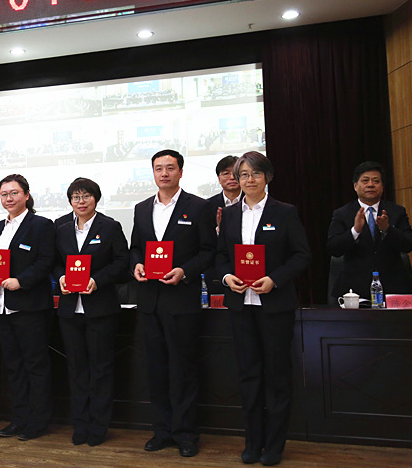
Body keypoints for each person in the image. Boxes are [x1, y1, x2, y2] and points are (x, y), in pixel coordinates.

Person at [216, 152, 311, 466]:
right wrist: (227, 277)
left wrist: (275, 279)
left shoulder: (284, 212)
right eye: (243, 174)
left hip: (274, 307)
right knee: (248, 375)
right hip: (241, 306)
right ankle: (253, 442)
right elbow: (220, 256)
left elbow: (301, 255)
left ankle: (274, 445)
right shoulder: (230, 215)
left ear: (267, 177)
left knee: (277, 376)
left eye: (255, 173)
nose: (249, 180)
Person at [129, 149, 215, 458]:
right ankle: (161, 431)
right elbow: (135, 248)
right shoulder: (141, 208)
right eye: (158, 168)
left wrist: (185, 271)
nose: (164, 173)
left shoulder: (199, 207)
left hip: (182, 300)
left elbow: (209, 251)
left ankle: (185, 433)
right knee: (156, 369)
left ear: (180, 171)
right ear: (153, 173)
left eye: (170, 168)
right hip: (149, 302)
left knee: (183, 369)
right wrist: (136, 265)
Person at [54, 177, 129, 447]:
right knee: (76, 368)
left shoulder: (110, 227)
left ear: (95, 198)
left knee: (100, 369)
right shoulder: (61, 228)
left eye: (86, 196)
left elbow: (122, 262)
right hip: (70, 310)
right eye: (76, 197)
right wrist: (61, 277)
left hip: (100, 309)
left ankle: (99, 426)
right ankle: (80, 423)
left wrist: (98, 280)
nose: (81, 201)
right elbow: (54, 262)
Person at [0, 173, 56, 441]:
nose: (9, 198)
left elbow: (46, 260)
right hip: (1, 308)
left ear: (26, 195)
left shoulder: (41, 225)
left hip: (30, 307)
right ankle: (19, 418)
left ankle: (38, 421)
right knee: (13, 366)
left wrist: (21, 281)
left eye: (14, 193)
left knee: (36, 366)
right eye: (4, 194)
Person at [327, 161, 412, 299]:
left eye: (376, 181)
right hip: (354, 290)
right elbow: (334, 248)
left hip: (392, 288)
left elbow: (409, 244)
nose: (370, 185)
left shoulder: (396, 212)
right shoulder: (342, 214)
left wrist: (387, 230)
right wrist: (355, 231)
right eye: (365, 181)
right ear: (355, 186)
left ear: (382, 187)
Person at [206, 155, 241, 293]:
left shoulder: (253, 204)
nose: (231, 177)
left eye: (236, 173)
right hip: (217, 273)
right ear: (219, 178)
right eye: (226, 173)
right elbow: (204, 243)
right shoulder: (207, 206)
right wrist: (219, 231)